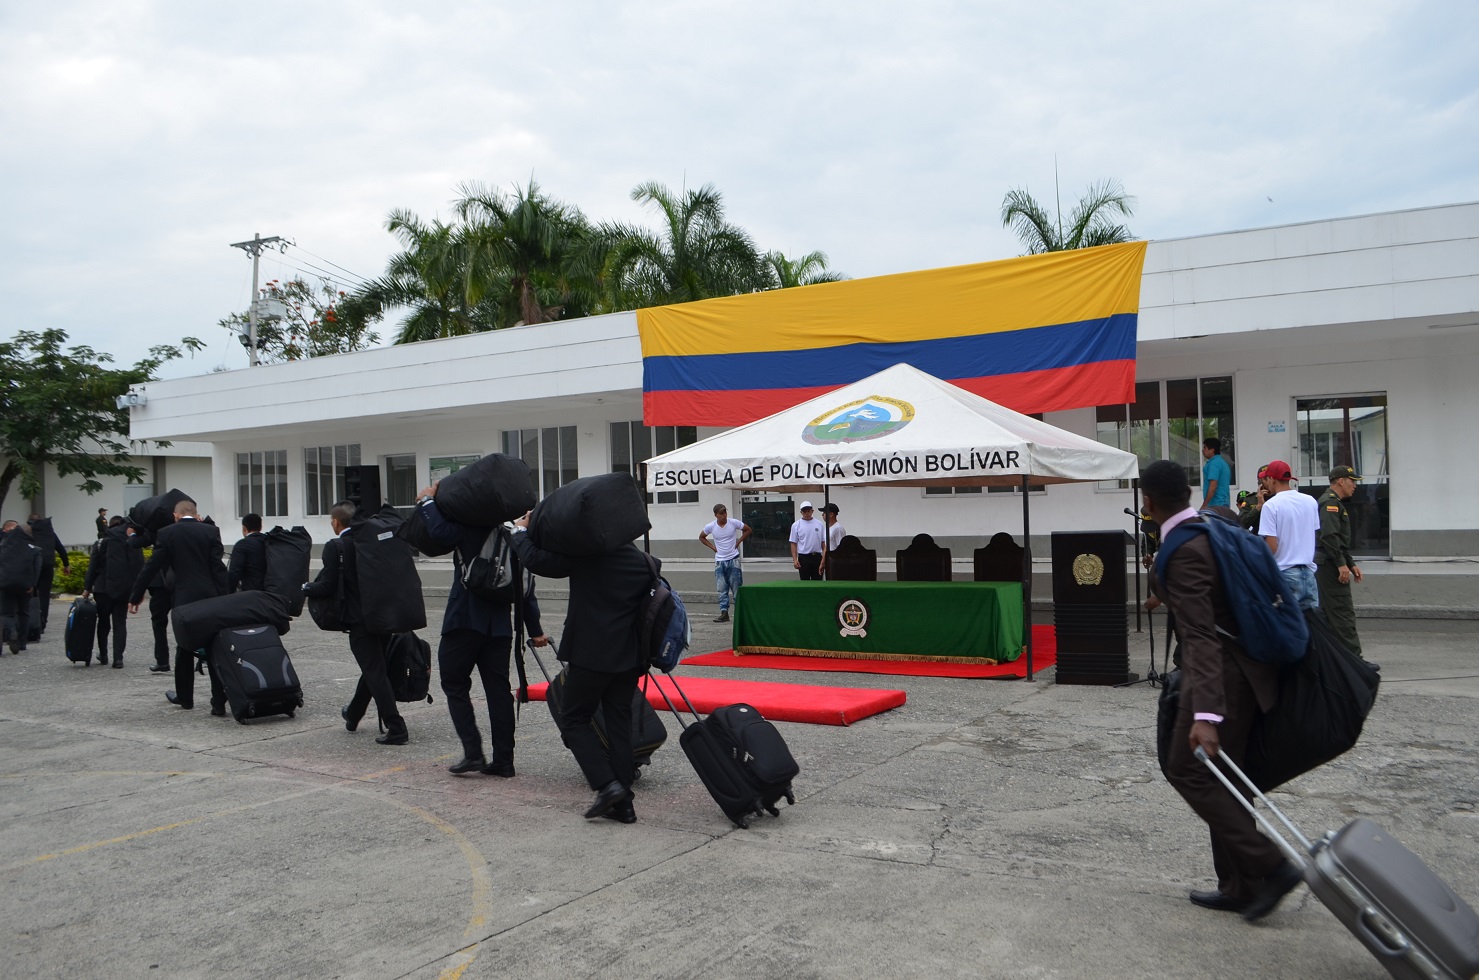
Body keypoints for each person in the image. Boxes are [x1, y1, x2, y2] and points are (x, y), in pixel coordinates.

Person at [1142, 458, 1299, 921]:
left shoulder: (1186, 551)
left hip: (1224, 680)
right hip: (1248, 671)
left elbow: (1201, 636)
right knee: (1225, 782)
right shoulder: (1211, 528)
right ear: (1189, 496)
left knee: (1187, 770)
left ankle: (1271, 866)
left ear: (1147, 503)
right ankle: (1240, 885)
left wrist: (1206, 716)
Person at [508, 509, 652, 824]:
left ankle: (607, 785)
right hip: (629, 658)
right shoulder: (646, 563)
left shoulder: (589, 556)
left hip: (592, 655)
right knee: (618, 724)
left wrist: (519, 533)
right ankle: (623, 804)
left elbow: (539, 561)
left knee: (573, 718)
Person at [415, 483, 548, 776]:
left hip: (463, 621)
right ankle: (504, 760)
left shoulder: (470, 528)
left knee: (454, 684)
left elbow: (438, 532)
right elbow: (526, 589)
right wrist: (535, 630)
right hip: (499, 628)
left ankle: (473, 752)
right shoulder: (512, 536)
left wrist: (427, 500)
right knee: (498, 691)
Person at [302, 501, 408, 745]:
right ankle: (354, 713)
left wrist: (306, 587)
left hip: (359, 619)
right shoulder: (371, 541)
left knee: (374, 671)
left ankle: (396, 726)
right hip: (383, 615)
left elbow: (328, 585)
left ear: (337, 522)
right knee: (374, 668)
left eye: (331, 520)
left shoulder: (336, 545)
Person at [128, 499, 230, 712]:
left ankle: (185, 698)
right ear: (196, 513)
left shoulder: (166, 533)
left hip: (184, 599)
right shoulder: (211, 532)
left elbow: (151, 566)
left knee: (184, 647)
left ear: (176, 515)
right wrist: (225, 598)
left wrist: (136, 596)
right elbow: (218, 569)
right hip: (210, 598)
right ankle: (218, 702)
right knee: (214, 647)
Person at [1257, 460, 1321, 611]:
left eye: (1265, 480)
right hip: (1309, 572)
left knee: (1288, 626)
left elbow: (1272, 547)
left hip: (1286, 574)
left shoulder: (1271, 506)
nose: (1264, 484)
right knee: (1312, 625)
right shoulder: (1310, 501)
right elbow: (1312, 534)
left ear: (1272, 479)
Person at [1317, 465, 1365, 657]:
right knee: (1341, 613)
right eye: (1352, 481)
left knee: (1333, 617)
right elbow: (1329, 536)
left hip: (1330, 563)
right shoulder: (1330, 503)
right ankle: (1355, 662)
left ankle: (1338, 662)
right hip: (1329, 566)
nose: (1354, 485)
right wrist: (1340, 563)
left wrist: (1350, 563)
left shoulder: (1335, 502)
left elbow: (1339, 540)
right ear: (1340, 481)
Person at [83, 516, 143, 668]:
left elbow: (92, 568)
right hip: (123, 588)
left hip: (102, 589)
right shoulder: (130, 542)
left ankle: (103, 655)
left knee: (103, 623)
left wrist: (87, 588)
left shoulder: (101, 543)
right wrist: (138, 590)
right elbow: (138, 565)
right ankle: (118, 659)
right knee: (120, 623)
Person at [699, 503, 750, 623]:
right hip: (720, 561)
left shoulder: (733, 522)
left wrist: (738, 542)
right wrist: (713, 547)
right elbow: (701, 537)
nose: (724, 515)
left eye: (725, 512)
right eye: (721, 513)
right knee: (721, 589)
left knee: (737, 588)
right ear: (716, 515)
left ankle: (739, 613)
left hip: (733, 559)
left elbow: (747, 530)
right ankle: (724, 612)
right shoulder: (711, 526)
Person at [0, 520, 43, 655]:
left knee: (6, 613)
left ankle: (12, 632)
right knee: (24, 612)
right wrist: (33, 584)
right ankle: (22, 642)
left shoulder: (4, 546)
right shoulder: (34, 549)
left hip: (6, 584)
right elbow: (37, 568)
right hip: (25, 585)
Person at [27, 513, 70, 634]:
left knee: (31, 593)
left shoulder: (29, 533)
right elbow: (61, 549)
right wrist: (66, 565)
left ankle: (32, 622)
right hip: (48, 566)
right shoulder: (50, 532)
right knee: (44, 595)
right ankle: (42, 622)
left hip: (33, 566)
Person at [227, 513, 267, 592]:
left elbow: (235, 572)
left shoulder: (241, 545)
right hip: (271, 591)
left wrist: (228, 591)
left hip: (251, 592)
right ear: (261, 527)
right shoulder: (269, 541)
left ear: (244, 528)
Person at [788, 501, 826, 581]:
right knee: (805, 581)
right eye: (804, 511)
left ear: (812, 511)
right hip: (804, 557)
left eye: (808, 511)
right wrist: (795, 559)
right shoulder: (796, 525)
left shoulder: (819, 524)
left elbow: (823, 542)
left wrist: (824, 558)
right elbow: (793, 543)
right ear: (801, 512)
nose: (807, 513)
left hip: (817, 556)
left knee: (818, 580)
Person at [1200, 438, 1232, 509]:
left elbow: (1213, 485)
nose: (1203, 450)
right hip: (1223, 503)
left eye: (1205, 447)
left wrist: (1205, 504)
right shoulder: (1222, 462)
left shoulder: (1214, 464)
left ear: (1212, 450)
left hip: (1216, 505)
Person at [1239, 465, 1271, 534]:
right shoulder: (1251, 499)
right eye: (1265, 479)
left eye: (1270, 478)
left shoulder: (1280, 497)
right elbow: (1241, 524)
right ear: (1260, 482)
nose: (1269, 481)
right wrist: (1258, 506)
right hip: (1258, 539)